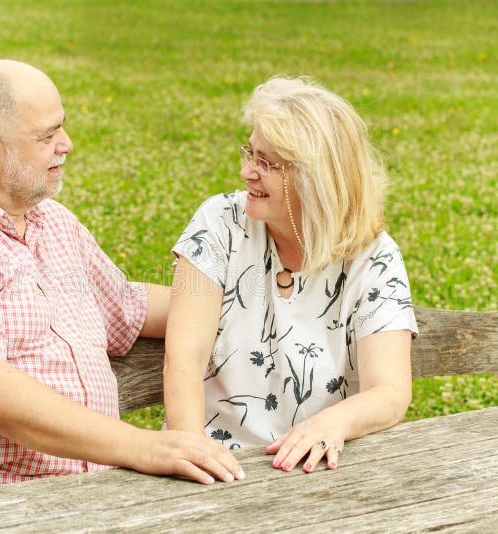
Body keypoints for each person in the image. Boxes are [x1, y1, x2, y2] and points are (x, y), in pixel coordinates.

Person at [0, 59, 243, 513]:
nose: (67, 145)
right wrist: (144, 446)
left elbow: (130, 308)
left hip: (69, 500)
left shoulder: (53, 224)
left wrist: (268, 299)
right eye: (47, 135)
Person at [163, 76, 418, 475]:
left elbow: (390, 391)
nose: (246, 171)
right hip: (216, 465)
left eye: (266, 163)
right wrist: (194, 457)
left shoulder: (373, 257)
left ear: (316, 180)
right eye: (249, 152)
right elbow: (184, 360)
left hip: (313, 469)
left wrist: (331, 423)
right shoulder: (219, 224)